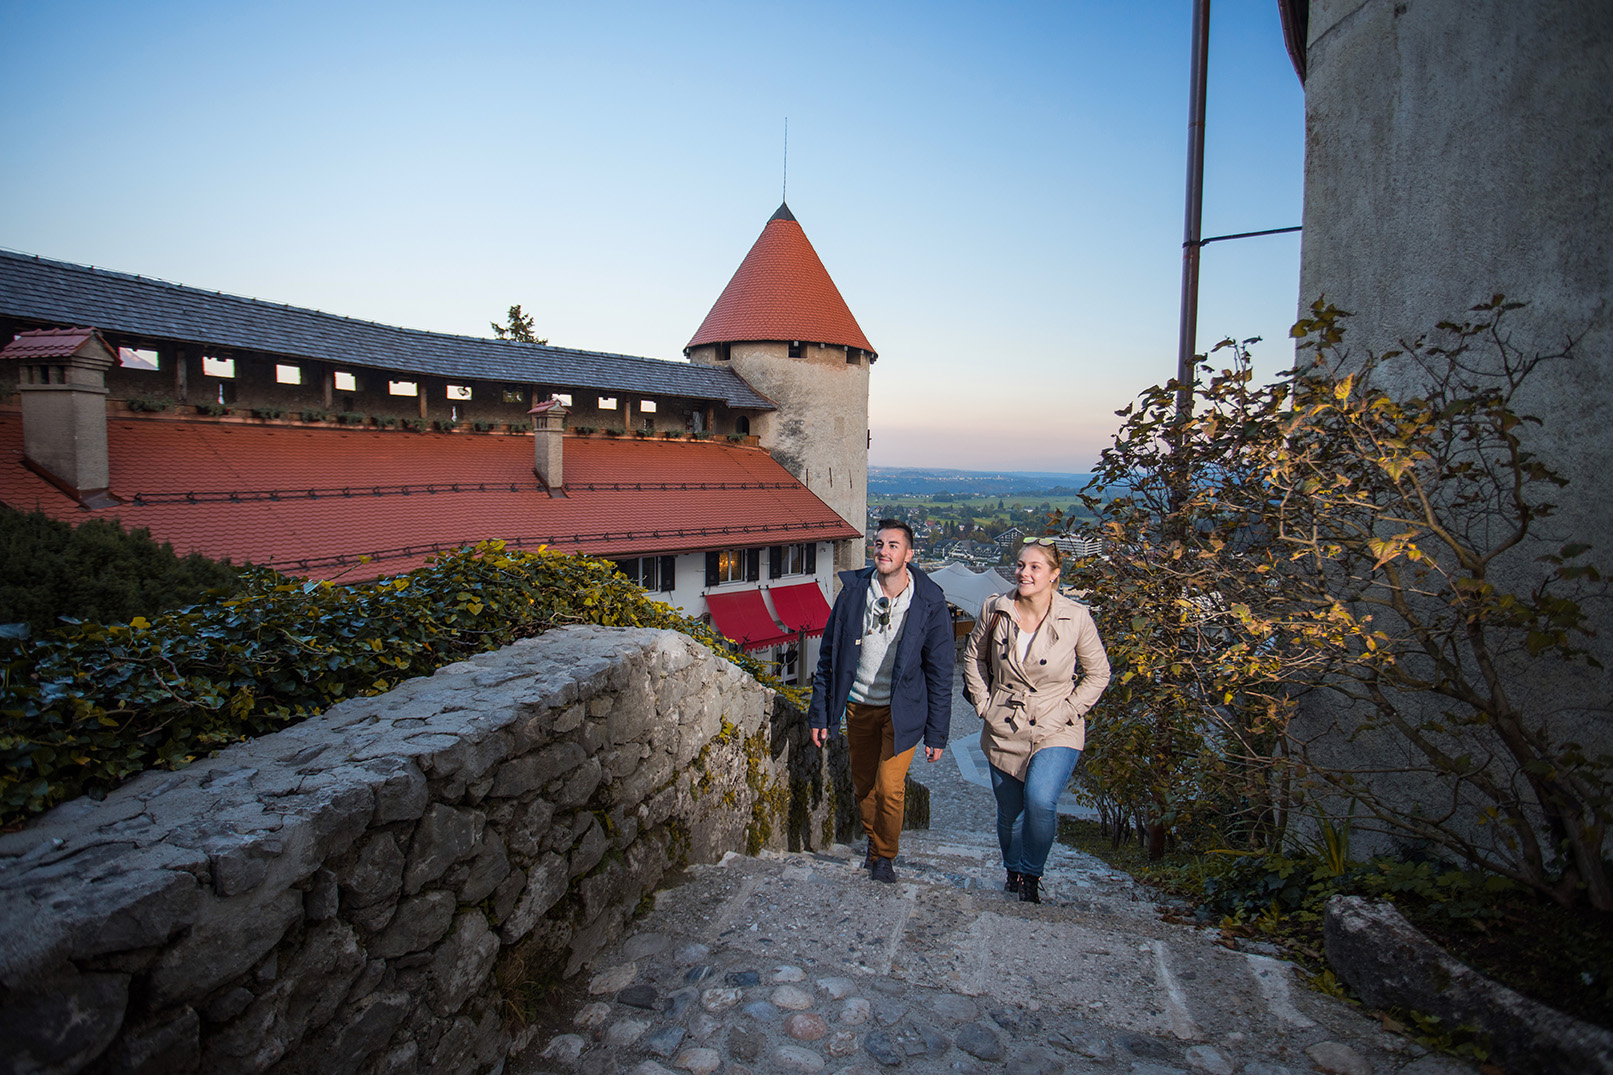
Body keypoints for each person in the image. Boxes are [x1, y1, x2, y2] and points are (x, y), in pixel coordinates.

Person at [963, 536, 1110, 903]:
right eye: (1020, 565)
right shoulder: (994, 609)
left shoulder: (1077, 617)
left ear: (1054, 575)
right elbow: (973, 658)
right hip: (1005, 723)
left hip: (1057, 724)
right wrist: (984, 704)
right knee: (1010, 812)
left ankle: (1031, 874)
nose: (1023, 573)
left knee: (1041, 800)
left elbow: (1099, 674)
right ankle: (1012, 868)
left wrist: (1066, 712)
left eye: (1034, 567)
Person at [809, 519, 954, 883]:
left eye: (892, 545)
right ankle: (876, 845)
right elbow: (828, 657)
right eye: (878, 544)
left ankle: (884, 856)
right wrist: (820, 715)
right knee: (864, 786)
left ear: (909, 554)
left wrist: (937, 735)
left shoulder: (929, 601)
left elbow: (940, 673)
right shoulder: (853, 593)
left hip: (902, 711)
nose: (883, 551)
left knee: (890, 788)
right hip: (859, 705)